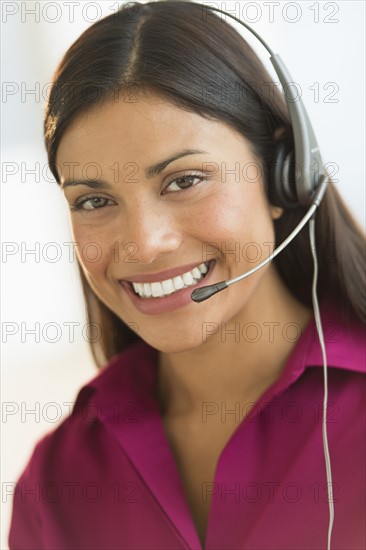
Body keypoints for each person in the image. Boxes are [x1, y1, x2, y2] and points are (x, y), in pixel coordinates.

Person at [8, 1, 365, 549]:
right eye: (95, 199)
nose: (145, 244)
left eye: (183, 180)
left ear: (282, 174)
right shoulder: (57, 482)